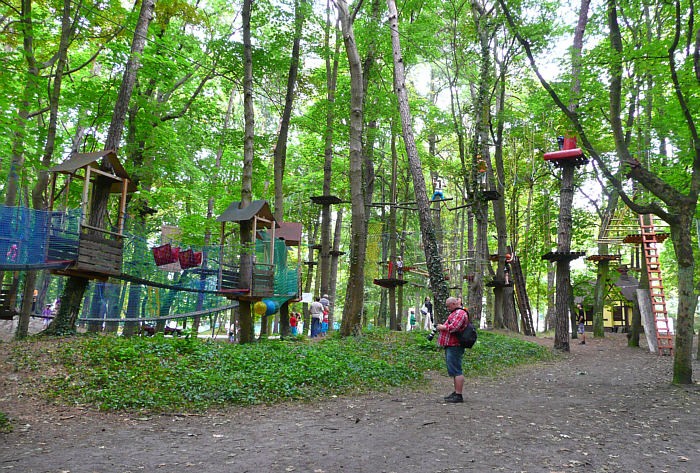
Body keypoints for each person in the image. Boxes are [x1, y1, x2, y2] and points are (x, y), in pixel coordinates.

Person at [435, 296, 470, 403]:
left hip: (455, 345)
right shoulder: (454, 313)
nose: (447, 308)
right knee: (454, 370)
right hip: (450, 345)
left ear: (454, 304)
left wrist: (442, 327)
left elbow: (454, 327)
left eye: (448, 306)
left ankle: (459, 395)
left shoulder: (460, 313)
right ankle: (456, 392)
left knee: (457, 370)